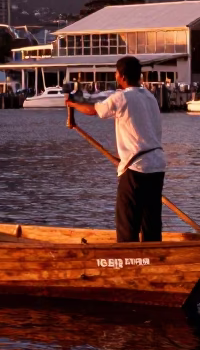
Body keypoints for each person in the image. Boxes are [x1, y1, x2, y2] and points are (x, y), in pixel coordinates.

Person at [66, 56, 166, 243]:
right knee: (151, 221)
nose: (116, 76)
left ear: (122, 76)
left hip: (136, 168)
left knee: (127, 222)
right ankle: (154, 254)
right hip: (157, 165)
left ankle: (127, 256)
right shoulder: (150, 97)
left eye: (116, 74)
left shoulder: (122, 97)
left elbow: (94, 110)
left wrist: (73, 104)